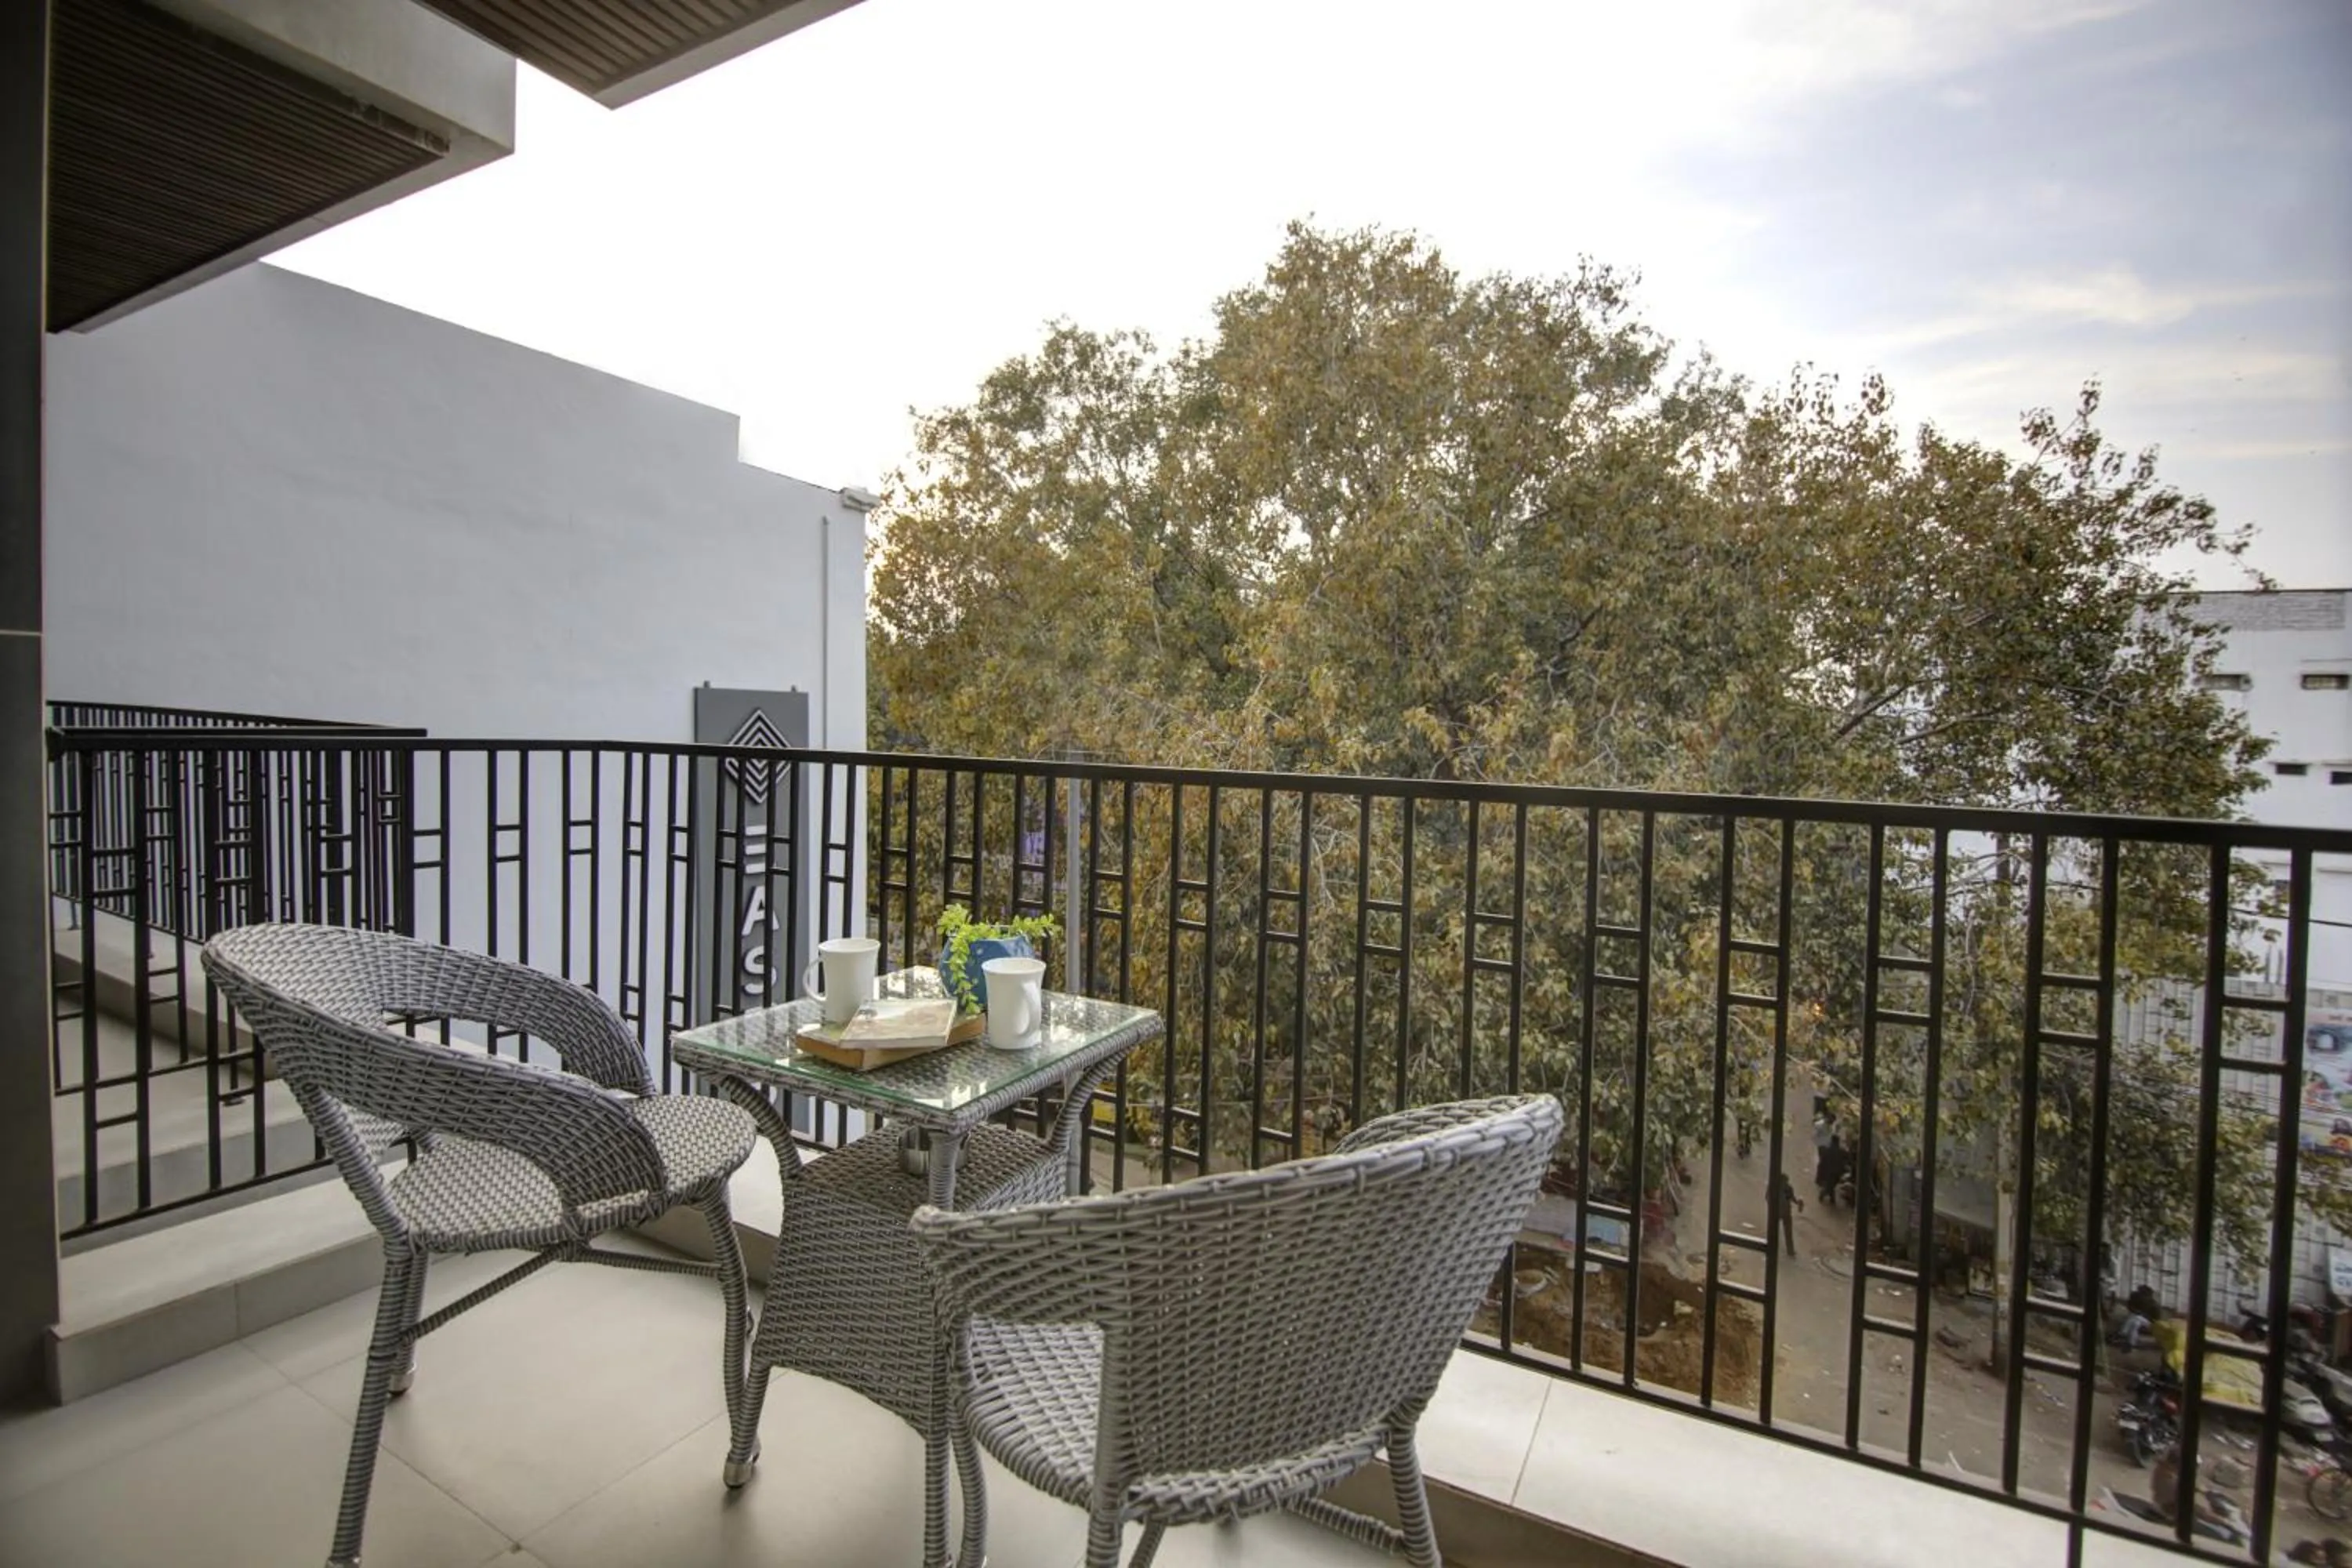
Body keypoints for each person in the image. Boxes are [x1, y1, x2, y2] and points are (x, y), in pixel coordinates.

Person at [1771, 1171, 1803, 1257]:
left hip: (1778, 1212)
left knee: (1775, 1230)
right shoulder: (1787, 1188)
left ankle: (1773, 1246)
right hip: (1784, 1212)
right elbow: (1792, 1198)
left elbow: (1768, 1198)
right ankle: (1790, 1250)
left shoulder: (1774, 1187)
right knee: (1788, 1232)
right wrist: (1797, 1202)